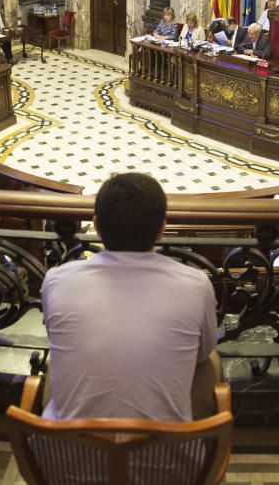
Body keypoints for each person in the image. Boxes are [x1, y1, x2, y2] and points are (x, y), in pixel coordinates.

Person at [41, 173, 218, 422]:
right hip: (168, 458)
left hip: (65, 456)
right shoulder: (196, 285)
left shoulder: (57, 280)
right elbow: (203, 353)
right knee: (211, 361)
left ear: (97, 226)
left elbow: (56, 337)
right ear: (162, 230)